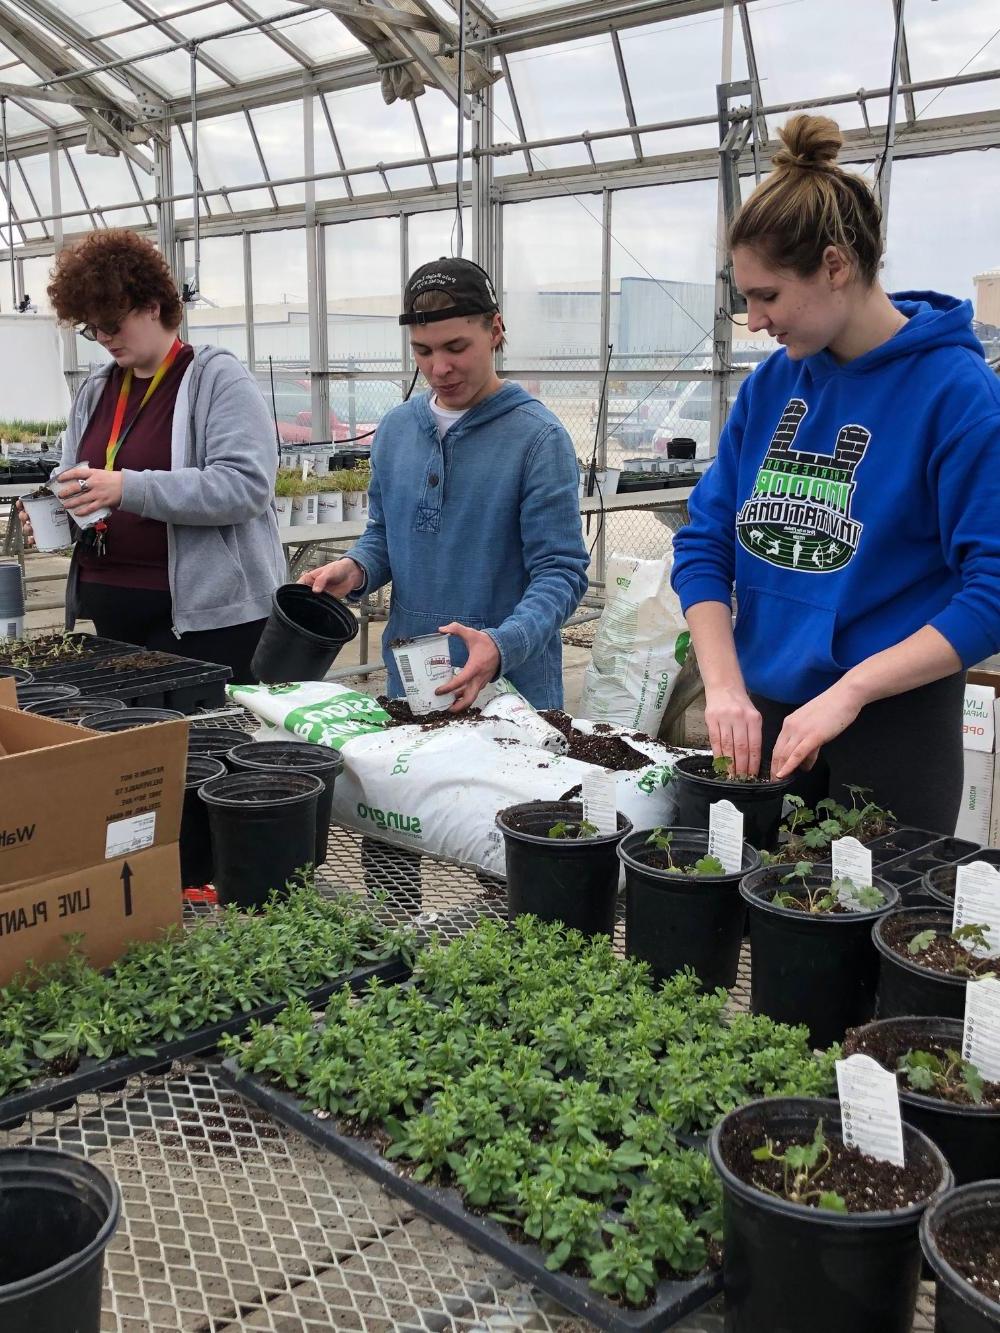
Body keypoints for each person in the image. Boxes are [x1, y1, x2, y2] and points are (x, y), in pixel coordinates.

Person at [670, 114, 1000, 832]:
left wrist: (852, 690)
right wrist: (725, 685)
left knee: (867, 928)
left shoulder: (956, 395)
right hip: (764, 717)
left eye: (768, 296)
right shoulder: (771, 389)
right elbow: (704, 542)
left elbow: (992, 590)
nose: (754, 321)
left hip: (892, 731)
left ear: (835, 266)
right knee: (755, 925)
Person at [300, 257, 589, 711]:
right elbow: (386, 533)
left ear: (495, 329)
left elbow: (562, 572)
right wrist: (356, 568)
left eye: (456, 347)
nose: (439, 368)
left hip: (511, 694)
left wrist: (502, 643)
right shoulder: (396, 430)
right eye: (423, 351)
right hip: (413, 683)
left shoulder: (537, 438)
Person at [19, 229, 284, 683]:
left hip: (206, 625)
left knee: (200, 744)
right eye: (91, 327)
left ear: (152, 305)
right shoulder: (97, 388)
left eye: (111, 323)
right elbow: (75, 477)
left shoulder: (215, 379)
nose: (102, 337)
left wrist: (127, 487)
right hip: (114, 619)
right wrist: (58, 510)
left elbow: (246, 486)